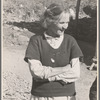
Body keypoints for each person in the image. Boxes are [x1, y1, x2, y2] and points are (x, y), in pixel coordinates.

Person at [24, 3, 83, 100]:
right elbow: (37, 72)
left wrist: (47, 77)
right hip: (41, 95)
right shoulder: (36, 41)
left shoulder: (70, 41)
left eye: (67, 22)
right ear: (49, 21)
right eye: (62, 23)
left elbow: (75, 73)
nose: (65, 27)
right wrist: (64, 69)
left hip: (66, 96)